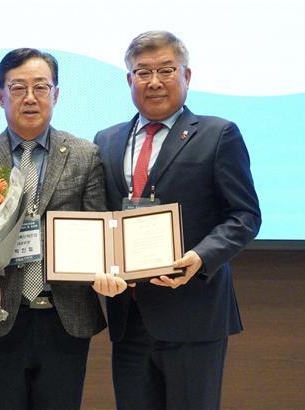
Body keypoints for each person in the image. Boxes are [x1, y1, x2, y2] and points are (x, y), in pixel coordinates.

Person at [94, 31, 262, 410]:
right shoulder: (106, 140)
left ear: (186, 76)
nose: (154, 81)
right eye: (142, 72)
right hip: (129, 318)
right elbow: (100, 218)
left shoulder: (218, 134)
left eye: (166, 70)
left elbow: (245, 215)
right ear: (129, 80)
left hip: (194, 315)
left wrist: (202, 257)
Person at [0, 48, 127, 410]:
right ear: (0, 96)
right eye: (18, 88)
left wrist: (106, 268)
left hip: (64, 318)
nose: (30, 98)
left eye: (41, 87)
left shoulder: (84, 154)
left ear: (56, 94)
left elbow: (99, 227)